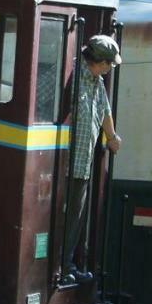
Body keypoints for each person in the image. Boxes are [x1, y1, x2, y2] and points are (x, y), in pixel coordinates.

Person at [59, 34, 123, 287]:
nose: (109, 70)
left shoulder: (95, 81)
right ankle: (62, 267)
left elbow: (105, 110)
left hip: (83, 161)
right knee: (67, 217)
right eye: (109, 64)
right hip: (67, 160)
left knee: (77, 217)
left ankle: (70, 265)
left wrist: (112, 136)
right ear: (98, 61)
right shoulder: (73, 77)